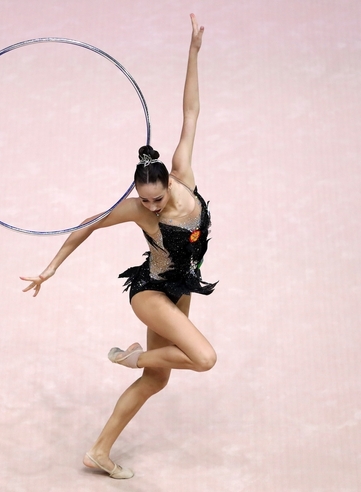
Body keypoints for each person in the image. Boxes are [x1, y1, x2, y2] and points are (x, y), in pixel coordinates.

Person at [20, 14, 216, 480]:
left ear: (169, 182)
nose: (149, 205)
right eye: (143, 199)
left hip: (181, 289)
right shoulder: (135, 210)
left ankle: (99, 451)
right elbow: (84, 226)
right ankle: (129, 355)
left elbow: (191, 113)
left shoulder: (182, 175)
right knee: (203, 359)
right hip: (151, 292)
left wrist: (192, 52)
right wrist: (50, 269)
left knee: (155, 380)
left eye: (156, 197)